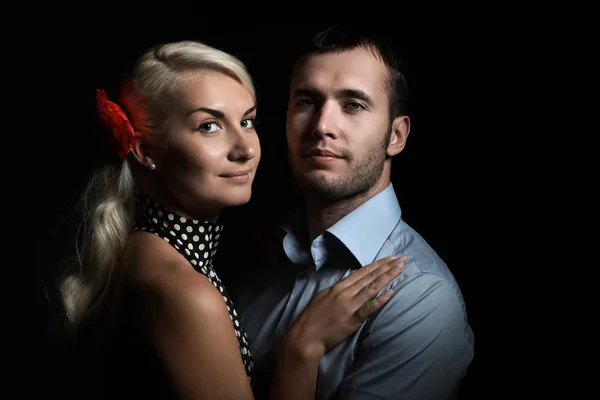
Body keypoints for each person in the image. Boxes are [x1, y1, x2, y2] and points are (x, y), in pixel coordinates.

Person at [55, 39, 408, 399]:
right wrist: (302, 348)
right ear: (147, 150)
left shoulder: (145, 248)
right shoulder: (182, 291)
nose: (246, 149)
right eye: (209, 126)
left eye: (247, 121)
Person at [236, 25, 475, 400]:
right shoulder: (261, 260)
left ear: (395, 136)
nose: (322, 126)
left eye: (353, 105)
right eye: (307, 101)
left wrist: (300, 349)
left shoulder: (420, 297)